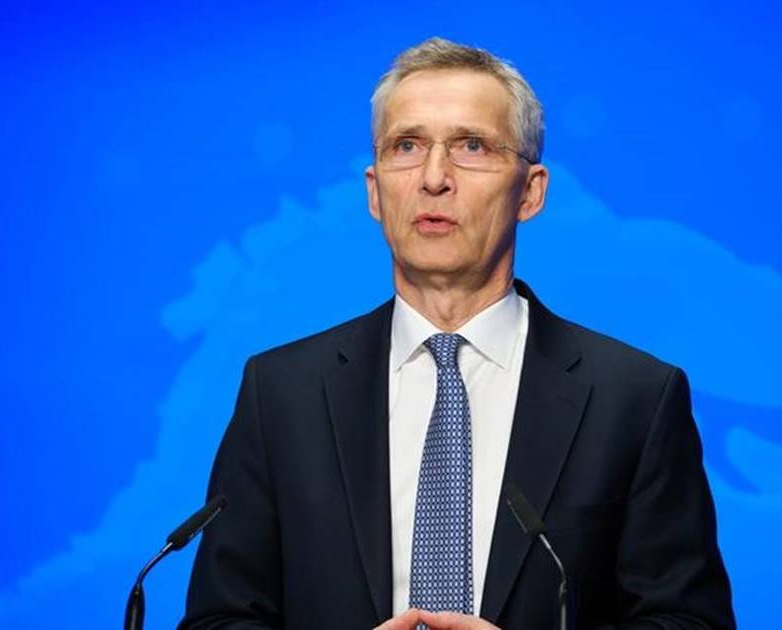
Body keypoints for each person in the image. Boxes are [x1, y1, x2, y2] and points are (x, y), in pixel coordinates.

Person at [180, 37, 734, 629]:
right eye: (407, 146)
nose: (434, 178)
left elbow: (689, 622)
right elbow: (219, 619)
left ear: (531, 192)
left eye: (472, 146)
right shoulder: (281, 392)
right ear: (374, 190)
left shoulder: (634, 398)